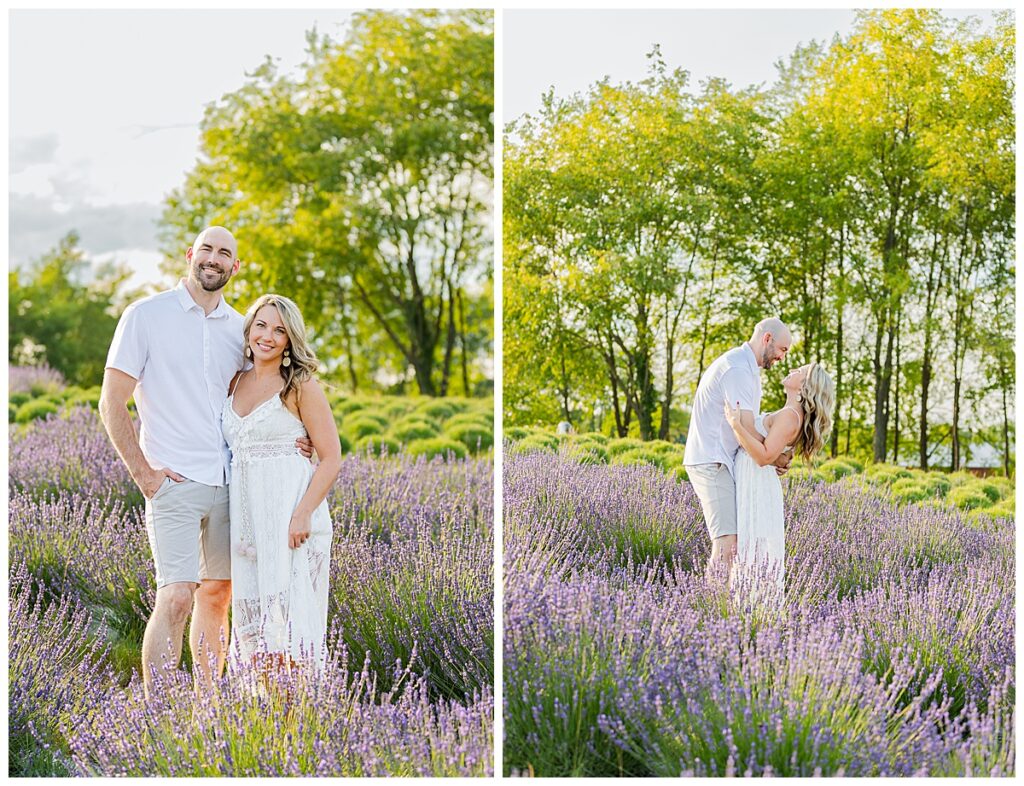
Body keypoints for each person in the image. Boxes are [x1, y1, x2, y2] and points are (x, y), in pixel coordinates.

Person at [99, 226, 310, 699]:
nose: (214, 259)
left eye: (225, 254)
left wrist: (300, 442)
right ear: (191, 255)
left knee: (217, 596)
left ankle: (206, 711)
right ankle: (159, 713)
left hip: (234, 485)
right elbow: (112, 401)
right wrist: (145, 475)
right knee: (175, 595)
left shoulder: (242, 329)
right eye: (207, 250)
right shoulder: (145, 316)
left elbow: (272, 394)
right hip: (172, 482)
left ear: (235, 268)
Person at [223, 294, 340, 675]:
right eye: (261, 325)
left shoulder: (300, 386)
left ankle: (298, 717)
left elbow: (331, 458)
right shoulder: (234, 381)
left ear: (290, 339)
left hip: (290, 520)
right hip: (246, 521)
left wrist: (302, 514)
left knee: (289, 628)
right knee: (254, 629)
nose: (268, 336)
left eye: (279, 330)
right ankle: (265, 718)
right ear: (249, 329)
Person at [682, 318, 792, 581]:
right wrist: (775, 456)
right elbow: (741, 426)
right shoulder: (737, 370)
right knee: (727, 544)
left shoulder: (747, 368)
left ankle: (722, 608)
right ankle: (708, 610)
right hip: (712, 461)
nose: (782, 358)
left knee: (734, 543)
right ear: (767, 339)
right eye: (782, 350)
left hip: (720, 460)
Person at [724, 362, 835, 596]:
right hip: (755, 478)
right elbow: (771, 452)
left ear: (804, 386)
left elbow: (763, 457)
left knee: (754, 546)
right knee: (751, 545)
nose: (792, 369)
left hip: (756, 479)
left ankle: (751, 611)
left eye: (799, 371)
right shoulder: (791, 415)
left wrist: (735, 425)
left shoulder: (789, 416)